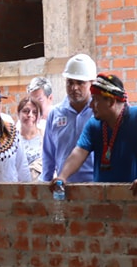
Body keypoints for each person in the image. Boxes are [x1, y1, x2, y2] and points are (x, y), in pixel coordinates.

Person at [52, 72, 137, 198]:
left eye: (95, 100)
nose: (91, 105)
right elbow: (79, 152)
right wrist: (62, 176)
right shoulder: (94, 125)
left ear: (110, 101)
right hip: (105, 200)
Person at [41, 53, 98, 183]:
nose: (74, 88)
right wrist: (45, 182)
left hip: (96, 186)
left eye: (80, 83)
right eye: (70, 82)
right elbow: (48, 154)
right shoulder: (55, 114)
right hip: (64, 186)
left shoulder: (99, 113)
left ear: (92, 83)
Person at [17, 96, 44, 180]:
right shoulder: (12, 138)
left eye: (35, 112)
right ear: (18, 113)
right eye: (26, 111)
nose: (30, 115)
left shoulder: (45, 136)